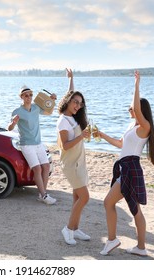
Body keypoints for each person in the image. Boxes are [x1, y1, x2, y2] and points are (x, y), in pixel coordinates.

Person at [99, 70, 154, 256]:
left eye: (132, 107)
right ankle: (140, 248)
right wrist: (101, 135)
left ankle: (112, 240)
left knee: (110, 203)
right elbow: (120, 144)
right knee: (133, 210)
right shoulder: (131, 127)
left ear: (139, 110)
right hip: (125, 168)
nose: (129, 109)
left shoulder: (145, 127)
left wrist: (136, 84)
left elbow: (136, 107)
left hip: (131, 169)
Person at [56, 68, 91, 245]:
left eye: (80, 103)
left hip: (80, 162)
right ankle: (68, 229)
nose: (77, 105)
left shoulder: (73, 117)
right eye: (75, 102)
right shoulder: (63, 120)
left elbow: (71, 94)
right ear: (68, 102)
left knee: (78, 197)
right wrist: (81, 136)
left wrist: (71, 79)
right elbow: (64, 146)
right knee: (85, 197)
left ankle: (75, 229)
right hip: (71, 165)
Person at [7, 85, 57, 205]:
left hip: (38, 143)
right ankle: (44, 195)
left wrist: (52, 100)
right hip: (26, 145)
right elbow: (9, 128)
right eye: (26, 95)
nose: (28, 97)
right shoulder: (17, 112)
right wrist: (13, 122)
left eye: (30, 95)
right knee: (37, 169)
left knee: (46, 167)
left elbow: (49, 111)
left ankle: (42, 194)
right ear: (21, 97)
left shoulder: (36, 108)